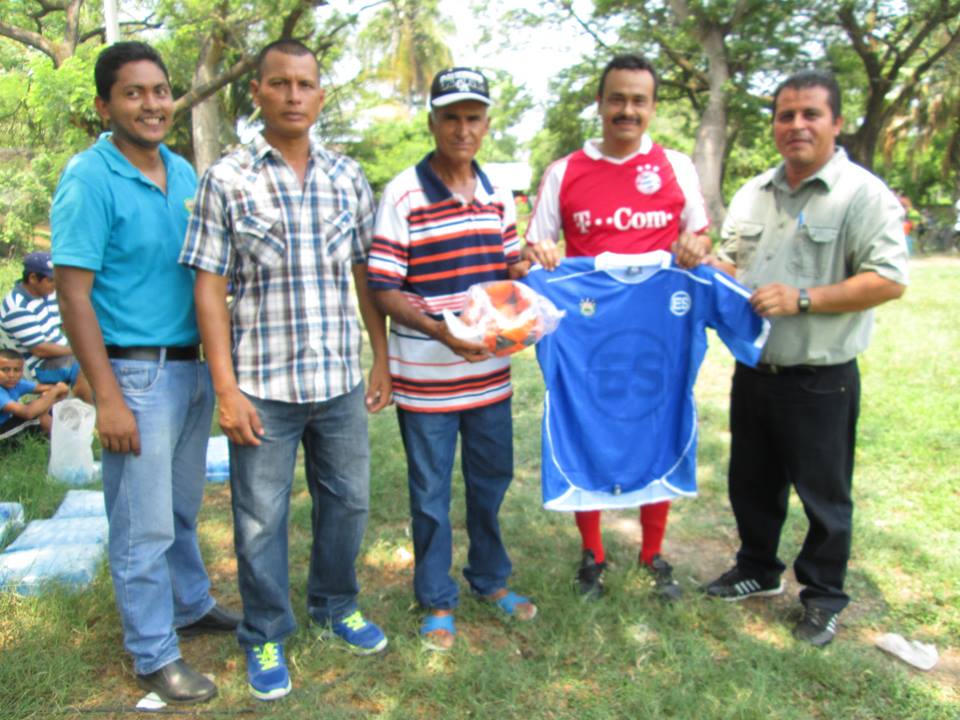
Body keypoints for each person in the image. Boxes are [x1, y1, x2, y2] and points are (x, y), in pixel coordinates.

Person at [180, 39, 391, 700]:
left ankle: (336, 602)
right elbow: (208, 287)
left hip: (337, 381)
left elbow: (365, 275)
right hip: (262, 388)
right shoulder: (228, 177)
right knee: (260, 519)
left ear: (320, 94)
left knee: (350, 502)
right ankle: (266, 631)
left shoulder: (348, 177)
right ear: (258, 93)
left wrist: (380, 356)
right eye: (280, 84)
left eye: (305, 84)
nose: (294, 95)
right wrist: (226, 388)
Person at [51, 41, 239, 705]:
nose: (152, 103)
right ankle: (154, 652)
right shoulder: (89, 178)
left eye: (159, 90)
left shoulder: (184, 175)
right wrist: (106, 396)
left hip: (188, 372)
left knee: (182, 510)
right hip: (134, 375)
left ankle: (190, 604)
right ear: (105, 105)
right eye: (134, 93)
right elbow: (72, 293)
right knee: (142, 522)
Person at [702, 69, 908, 647]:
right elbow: (732, 263)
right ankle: (757, 569)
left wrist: (804, 298)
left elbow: (889, 279)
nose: (796, 125)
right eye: (785, 115)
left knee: (824, 494)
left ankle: (823, 597)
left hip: (821, 377)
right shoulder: (752, 193)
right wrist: (708, 269)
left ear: (836, 123)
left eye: (810, 114)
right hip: (756, 370)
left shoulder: (861, 194)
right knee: (751, 482)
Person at [523, 54, 712, 600]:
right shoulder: (565, 171)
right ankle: (594, 554)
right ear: (601, 103)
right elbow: (534, 248)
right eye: (617, 99)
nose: (627, 110)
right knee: (590, 423)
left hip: (659, 327)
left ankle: (653, 553)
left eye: (638, 100)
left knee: (658, 418)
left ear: (652, 107)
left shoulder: (677, 167)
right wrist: (542, 252)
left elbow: (698, 239)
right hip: (588, 331)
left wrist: (699, 245)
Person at [367, 67, 536, 652]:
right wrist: (439, 331)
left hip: (490, 373)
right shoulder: (403, 194)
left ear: (487, 124)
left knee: (490, 483)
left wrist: (532, 271)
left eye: (473, 118)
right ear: (433, 121)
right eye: (451, 117)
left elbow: (509, 268)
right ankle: (437, 598)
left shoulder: (497, 195)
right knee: (431, 494)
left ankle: (491, 580)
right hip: (426, 379)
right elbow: (383, 286)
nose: (463, 129)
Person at [0, 252, 92, 402]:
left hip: (61, 352)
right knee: (84, 363)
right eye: (51, 281)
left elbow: (64, 319)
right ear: (33, 278)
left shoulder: (46, 292)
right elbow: (40, 349)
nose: (55, 285)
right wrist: (78, 350)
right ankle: (89, 413)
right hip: (40, 365)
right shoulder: (17, 307)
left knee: (101, 353)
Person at [0, 348, 68, 439]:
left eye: (16, 370)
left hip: (6, 425)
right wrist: (55, 391)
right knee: (37, 415)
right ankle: (63, 440)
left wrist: (55, 392)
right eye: (5, 370)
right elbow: (28, 413)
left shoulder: (17, 383)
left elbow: (54, 389)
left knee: (44, 406)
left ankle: (62, 438)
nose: (12, 375)